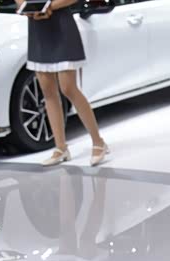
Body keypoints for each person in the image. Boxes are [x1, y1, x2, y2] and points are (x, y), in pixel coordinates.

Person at [25, 0, 109, 167]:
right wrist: (26, 8)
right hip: (37, 31)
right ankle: (61, 147)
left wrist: (48, 7)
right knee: (47, 91)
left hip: (62, 28)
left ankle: (98, 142)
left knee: (68, 88)